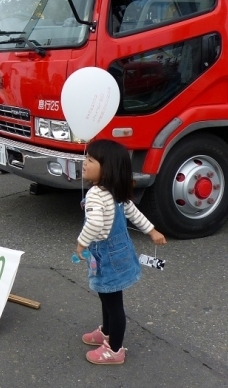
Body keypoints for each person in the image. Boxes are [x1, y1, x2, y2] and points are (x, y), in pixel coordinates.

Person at [76, 139, 167, 365]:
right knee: (108, 296)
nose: (84, 163)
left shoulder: (97, 194)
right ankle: (107, 331)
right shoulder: (114, 191)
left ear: (107, 168)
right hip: (121, 252)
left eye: (90, 160)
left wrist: (81, 243)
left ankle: (115, 349)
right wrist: (152, 231)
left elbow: (95, 224)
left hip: (106, 255)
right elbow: (133, 213)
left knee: (113, 303)